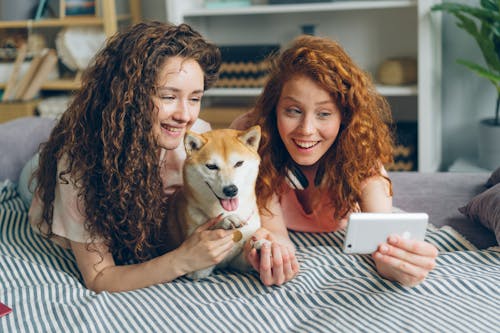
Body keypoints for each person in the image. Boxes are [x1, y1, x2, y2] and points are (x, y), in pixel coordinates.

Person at [27, 21, 239, 293]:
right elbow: (99, 277)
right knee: (35, 161)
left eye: (195, 99)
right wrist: (181, 260)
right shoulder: (79, 164)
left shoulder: (197, 138)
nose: (185, 115)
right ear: (129, 97)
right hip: (44, 181)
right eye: (168, 96)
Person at [233, 35, 438, 287]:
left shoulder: (360, 151)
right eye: (293, 111)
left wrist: (397, 265)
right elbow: (276, 235)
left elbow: (383, 236)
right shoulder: (253, 137)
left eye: (324, 113)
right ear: (274, 109)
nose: (307, 129)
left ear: (344, 117)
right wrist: (272, 254)